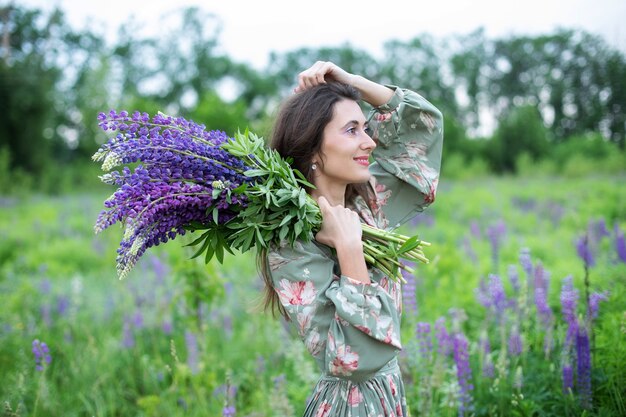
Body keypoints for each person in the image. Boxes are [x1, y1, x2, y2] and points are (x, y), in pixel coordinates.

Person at [258, 61, 443, 416]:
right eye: (352, 130)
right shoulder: (290, 241)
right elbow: (353, 358)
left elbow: (423, 131)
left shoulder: (367, 201)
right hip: (349, 406)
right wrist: (349, 248)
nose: (370, 141)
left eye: (366, 128)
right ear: (313, 150)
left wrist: (352, 82)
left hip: (388, 398)